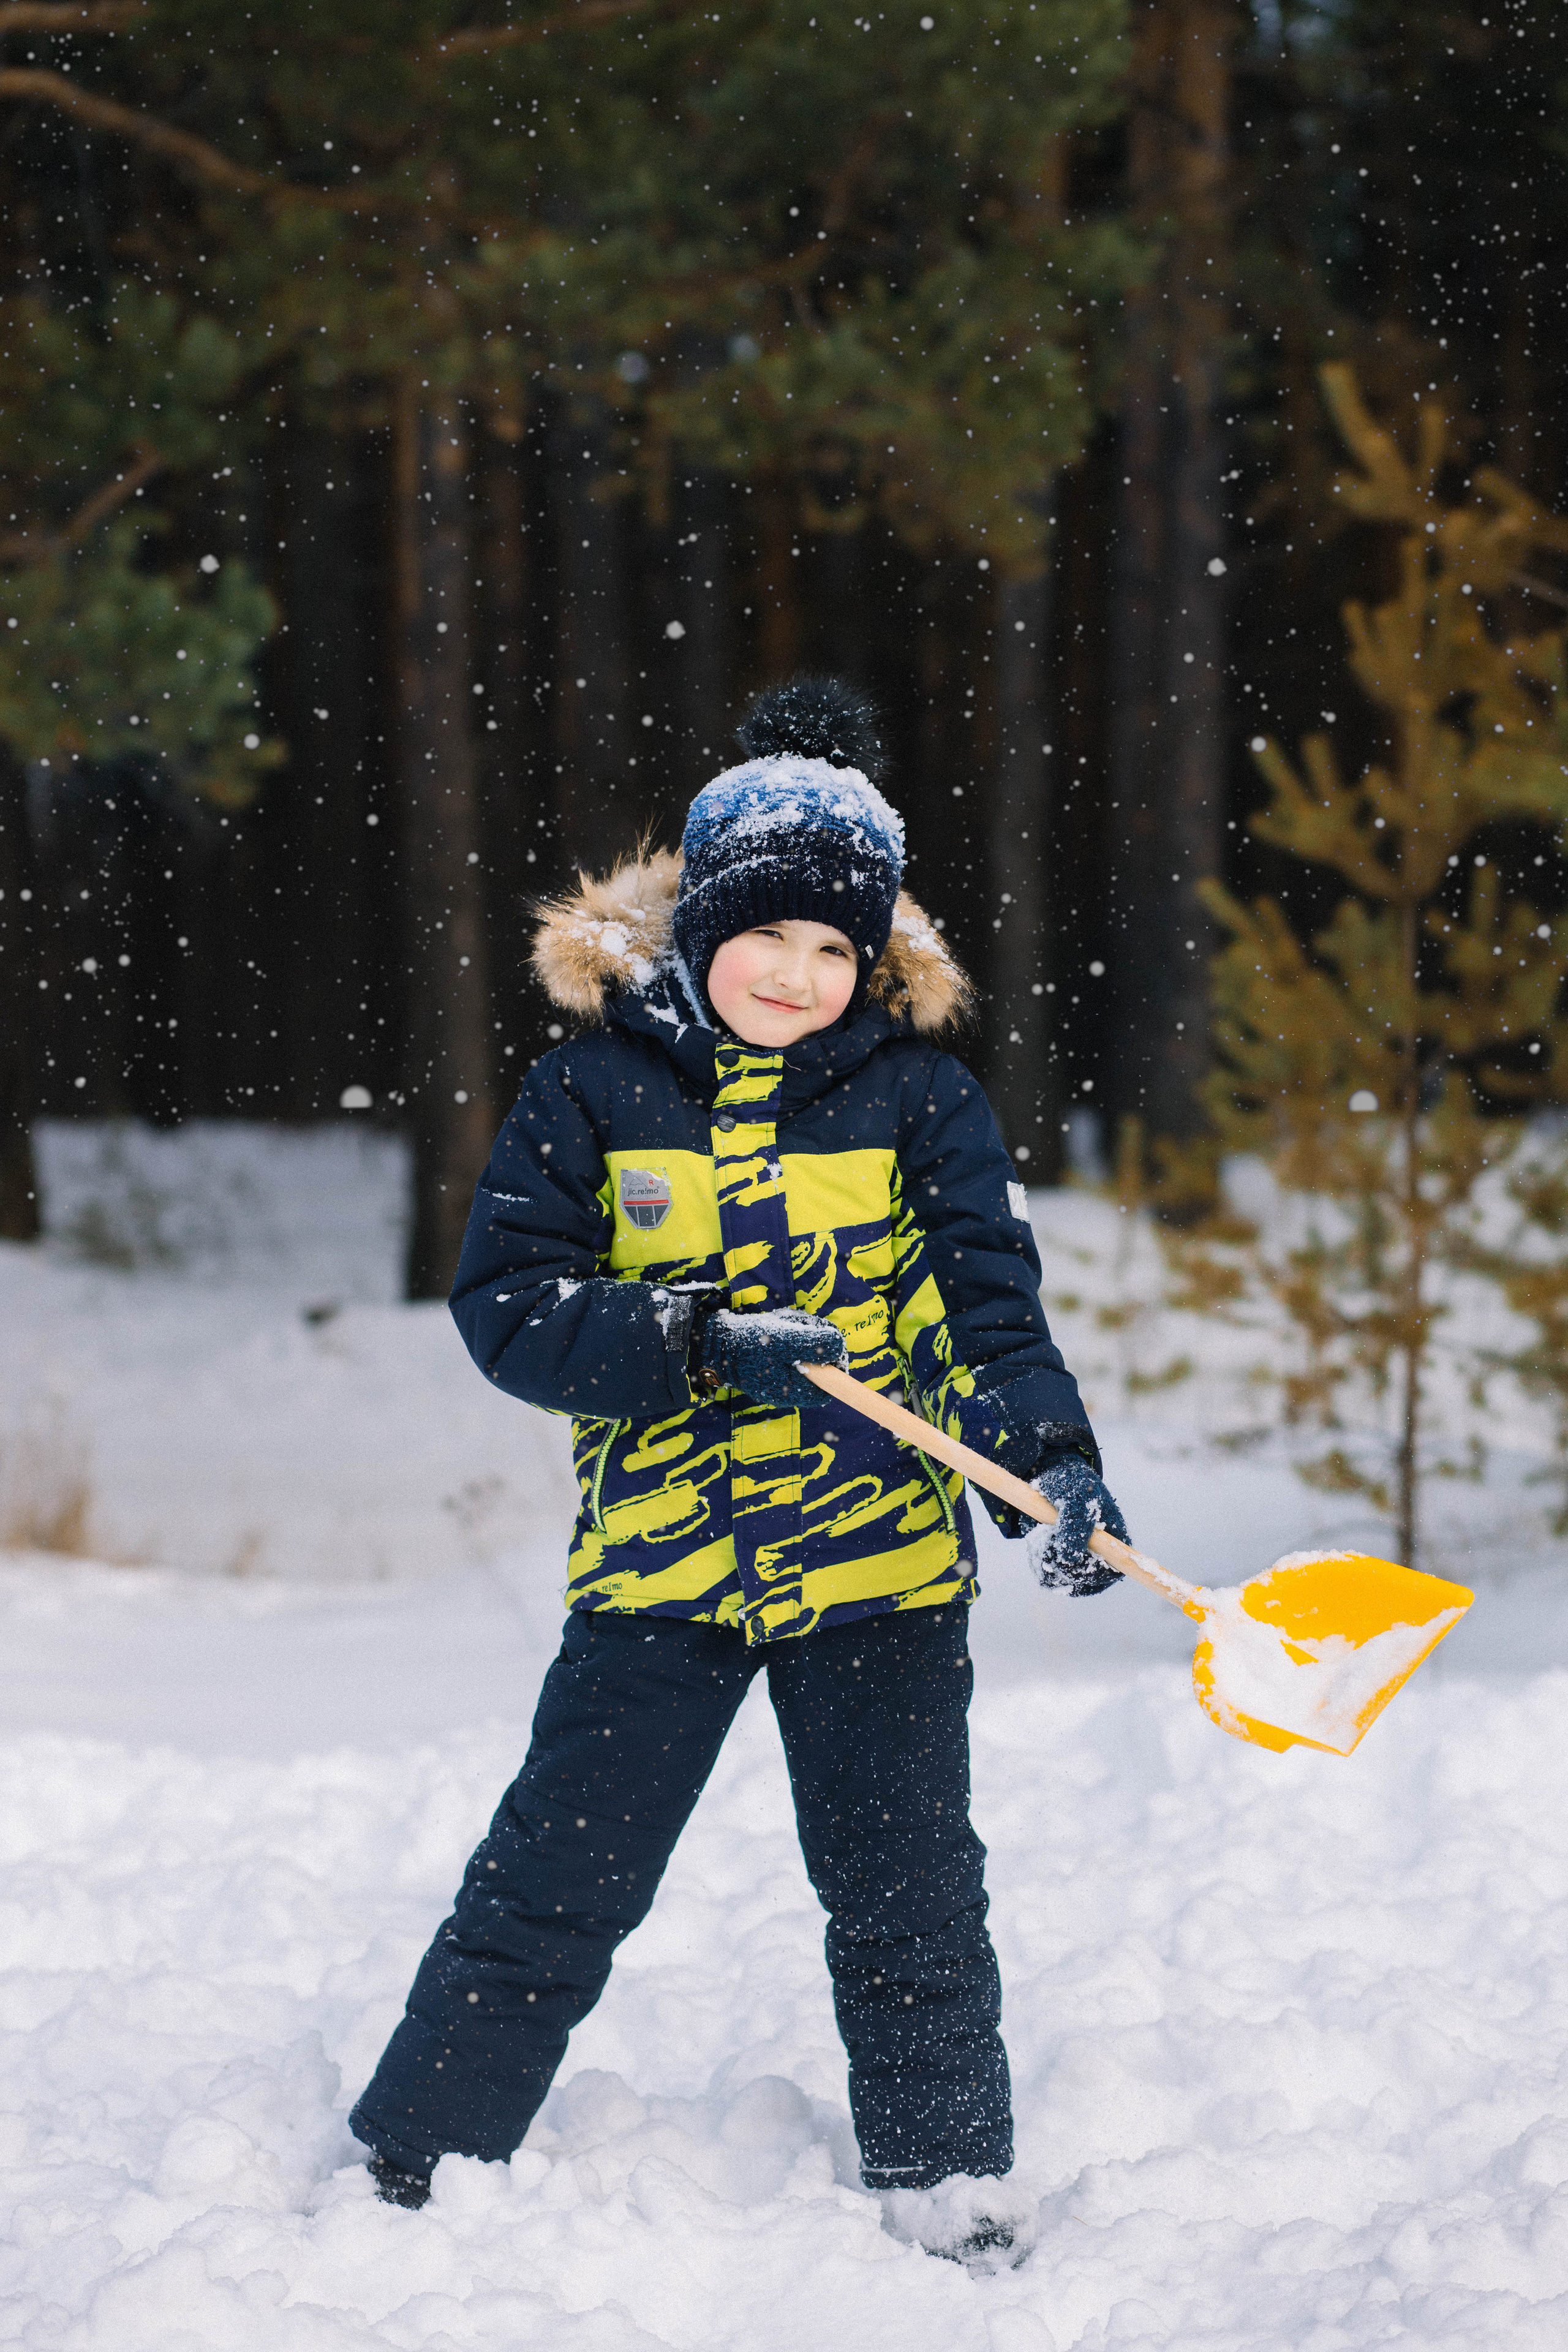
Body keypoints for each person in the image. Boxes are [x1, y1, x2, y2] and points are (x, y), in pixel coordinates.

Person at [349, 675, 1127, 2263]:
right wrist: (691, 1339)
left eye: (835, 947)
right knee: (558, 1872)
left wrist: (1048, 1466)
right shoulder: (590, 1092)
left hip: (878, 1572)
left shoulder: (923, 1101)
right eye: (767, 935)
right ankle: (421, 2155)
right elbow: (509, 1308)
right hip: (663, 1572)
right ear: (700, 926)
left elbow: (992, 1312)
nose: (795, 972)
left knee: (908, 1892)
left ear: (875, 959)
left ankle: (950, 2178)